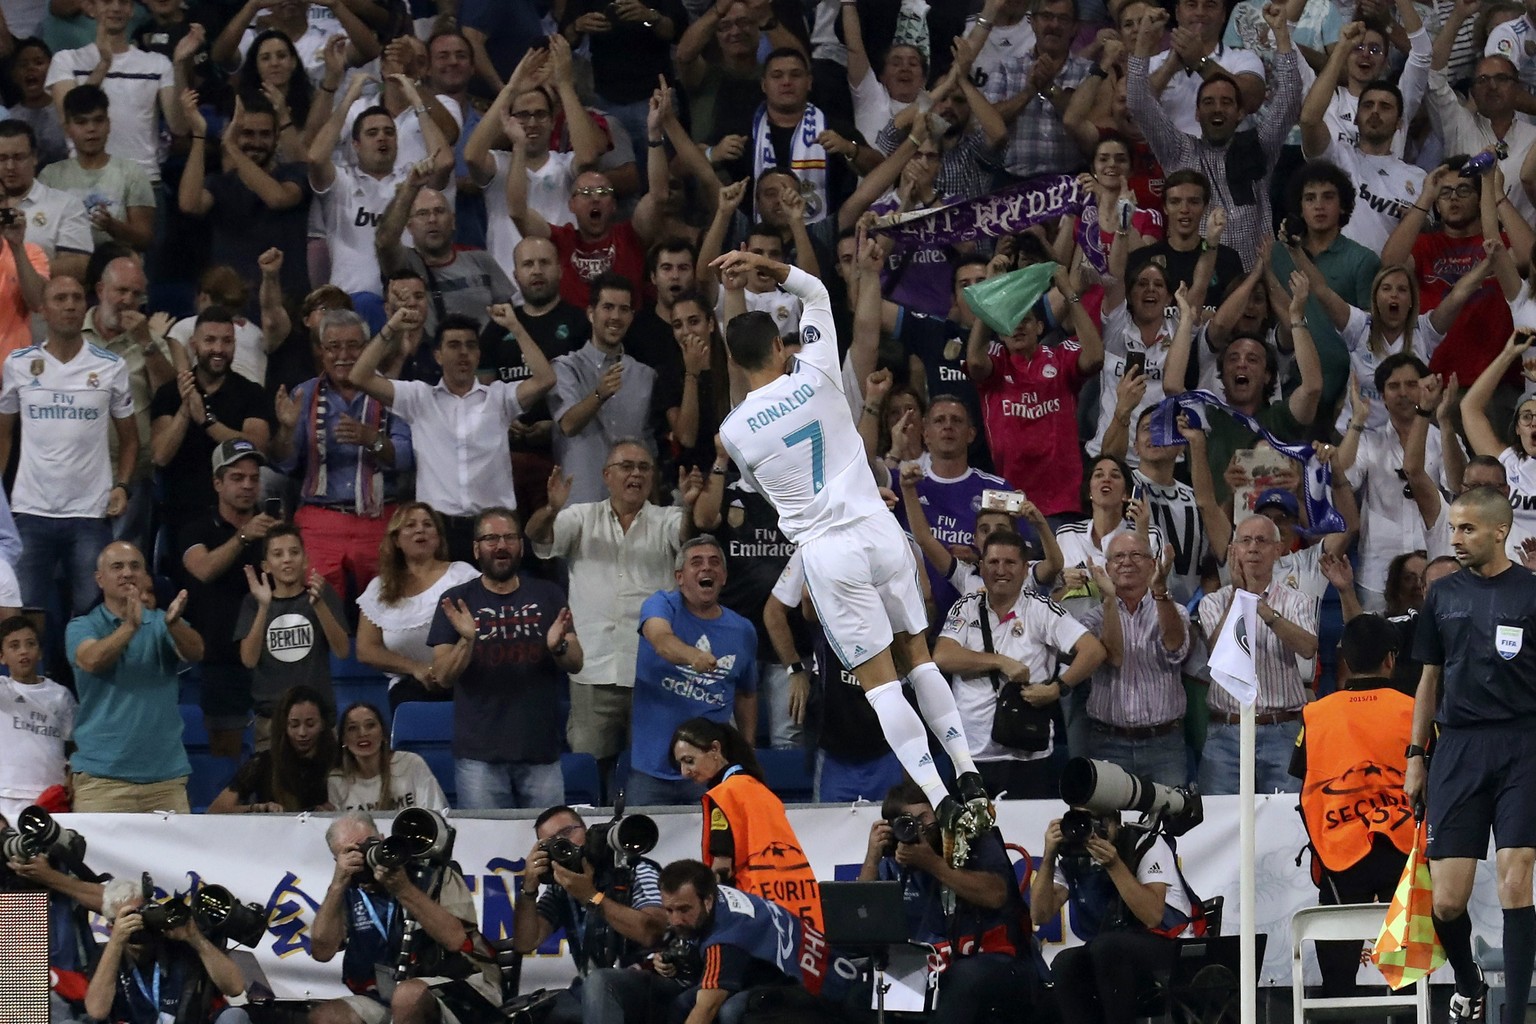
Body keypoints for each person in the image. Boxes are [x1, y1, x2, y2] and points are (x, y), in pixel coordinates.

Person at [714, 245, 991, 847]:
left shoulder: (733, 431)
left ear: (733, 358)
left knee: (881, 683)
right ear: (782, 347)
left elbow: (761, 477)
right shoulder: (816, 375)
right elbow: (816, 293)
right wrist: (771, 270)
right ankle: (967, 774)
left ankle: (943, 801)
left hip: (827, 549)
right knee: (918, 655)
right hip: (878, 528)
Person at [1405, 486, 1536, 1024]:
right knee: (1447, 903)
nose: (1455, 539)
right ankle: (1468, 980)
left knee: (1516, 875)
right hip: (1456, 746)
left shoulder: (1532, 592)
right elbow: (1428, 680)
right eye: (1452, 528)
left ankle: (1514, 1017)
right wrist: (1416, 755)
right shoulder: (1442, 595)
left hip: (1523, 742)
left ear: (1500, 531)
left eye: (1467, 529)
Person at [527, 439, 697, 783]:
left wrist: (692, 508)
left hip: (652, 672)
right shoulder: (579, 516)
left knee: (653, 770)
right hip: (594, 669)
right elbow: (536, 537)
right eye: (627, 466)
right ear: (607, 475)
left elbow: (688, 536)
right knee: (589, 771)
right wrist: (550, 509)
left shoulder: (667, 518)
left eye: (644, 467)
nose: (636, 473)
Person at [349, 310, 556, 561]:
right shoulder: (418, 398)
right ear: (437, 355)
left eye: (470, 346)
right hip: (440, 530)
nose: (463, 353)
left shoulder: (499, 398)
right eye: (454, 345)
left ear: (479, 355)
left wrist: (516, 326)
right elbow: (359, 376)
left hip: (494, 529)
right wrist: (391, 326)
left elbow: (545, 379)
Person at [0, 273, 137, 638]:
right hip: (30, 511)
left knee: (95, 616)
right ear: (43, 309)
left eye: (77, 298)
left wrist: (122, 484)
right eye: (60, 298)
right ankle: (30, 694)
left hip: (89, 514)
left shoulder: (110, 366)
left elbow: (130, 440)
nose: (71, 305)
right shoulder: (18, 364)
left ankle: (85, 693)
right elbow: (4, 434)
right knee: (25, 617)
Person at [1291, 614, 1416, 999]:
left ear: (1344, 658)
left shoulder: (1317, 714)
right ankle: (1410, 1008)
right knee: (1406, 966)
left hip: (1338, 853)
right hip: (1402, 849)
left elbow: (1300, 771)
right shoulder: (1414, 710)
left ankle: (1338, 999)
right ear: (1391, 659)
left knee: (1338, 960)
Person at [428, 507, 583, 809]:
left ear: (521, 546)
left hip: (541, 753)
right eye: (491, 538)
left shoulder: (549, 594)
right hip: (479, 758)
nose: (501, 546)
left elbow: (576, 662)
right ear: (476, 548)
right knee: (486, 849)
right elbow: (442, 676)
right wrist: (468, 640)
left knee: (553, 847)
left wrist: (558, 648)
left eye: (509, 537)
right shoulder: (456, 600)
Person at [934, 531, 1108, 798]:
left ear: (1026, 569)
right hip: (971, 754)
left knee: (1028, 839)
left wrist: (1057, 688)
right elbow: (943, 656)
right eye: (993, 562)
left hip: (1029, 754)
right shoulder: (966, 607)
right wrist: (1000, 662)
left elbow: (1093, 651)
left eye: (1010, 562)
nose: (1000, 570)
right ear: (981, 567)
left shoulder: (1041, 609)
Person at [1127, 3, 1299, 270]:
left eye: (1226, 102)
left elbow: (1289, 99)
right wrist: (1142, 44)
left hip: (1251, 278)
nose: (1217, 108)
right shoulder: (1178, 150)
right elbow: (1138, 103)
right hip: (1192, 277)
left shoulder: (1259, 148)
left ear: (1241, 112)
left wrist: (1282, 35)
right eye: (1208, 102)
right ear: (1197, 113)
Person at [857, 780, 1041, 1024]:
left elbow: (996, 895)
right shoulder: (893, 860)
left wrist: (932, 863)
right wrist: (872, 857)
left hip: (994, 960)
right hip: (923, 967)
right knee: (858, 994)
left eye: (924, 817)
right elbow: (860, 919)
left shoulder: (973, 837)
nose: (920, 829)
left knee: (961, 979)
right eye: (909, 823)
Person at [272, 308, 416, 599]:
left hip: (379, 515)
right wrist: (287, 431)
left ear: (368, 349)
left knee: (389, 604)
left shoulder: (392, 392)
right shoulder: (305, 393)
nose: (343, 355)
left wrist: (371, 439)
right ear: (321, 352)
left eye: (353, 346)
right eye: (333, 347)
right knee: (314, 605)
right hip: (320, 517)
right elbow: (284, 463)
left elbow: (404, 458)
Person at [307, 810, 501, 1024]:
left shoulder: (432, 874)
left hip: (460, 987)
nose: (364, 855)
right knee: (326, 1017)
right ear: (337, 859)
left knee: (408, 996)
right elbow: (322, 952)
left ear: (382, 838)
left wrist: (403, 889)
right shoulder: (345, 890)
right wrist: (337, 886)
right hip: (385, 996)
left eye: (369, 844)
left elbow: (456, 940)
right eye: (352, 852)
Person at [68, 541, 202, 812]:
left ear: (144, 577)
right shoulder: (82, 626)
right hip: (102, 783)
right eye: (117, 567)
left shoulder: (163, 622)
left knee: (172, 857)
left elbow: (195, 652)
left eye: (135, 566)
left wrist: (175, 624)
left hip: (165, 782)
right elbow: (91, 660)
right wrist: (130, 627)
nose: (127, 573)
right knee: (91, 857)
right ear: (99, 579)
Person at [1032, 808, 1198, 1024]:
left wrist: (1114, 864)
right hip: (1113, 956)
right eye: (1083, 820)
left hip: (1171, 946)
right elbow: (1040, 915)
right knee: (1066, 962)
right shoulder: (1074, 853)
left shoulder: (1144, 843)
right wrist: (1049, 856)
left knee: (1107, 947)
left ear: (1115, 822)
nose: (1091, 830)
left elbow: (1152, 917)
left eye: (1097, 820)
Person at [630, 536, 759, 806]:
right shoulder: (661, 605)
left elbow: (746, 694)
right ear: (679, 577)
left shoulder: (743, 630)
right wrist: (693, 657)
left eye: (714, 563)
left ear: (723, 576)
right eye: (696, 562)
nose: (706, 568)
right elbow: (661, 640)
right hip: (651, 772)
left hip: (709, 774)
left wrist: (746, 750)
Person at [1196, 515, 1319, 796]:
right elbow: (1216, 652)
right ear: (1233, 550)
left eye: (1262, 541)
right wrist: (1239, 596)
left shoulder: (1296, 600)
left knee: (1286, 822)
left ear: (1277, 550)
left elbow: (1308, 648)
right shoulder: (1213, 602)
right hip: (1227, 732)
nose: (1253, 548)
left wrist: (1262, 609)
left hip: (1282, 730)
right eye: (1245, 540)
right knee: (1220, 822)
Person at [514, 805, 669, 1024]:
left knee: (598, 983)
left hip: (646, 982)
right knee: (530, 1015)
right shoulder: (560, 887)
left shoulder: (633, 868)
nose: (564, 842)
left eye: (567, 832)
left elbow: (653, 932)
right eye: (551, 842)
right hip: (588, 988)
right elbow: (526, 942)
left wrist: (591, 896)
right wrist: (528, 887)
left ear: (585, 830)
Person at [670, 717, 823, 935]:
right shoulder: (759, 788)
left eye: (689, 761)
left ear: (715, 749)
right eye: (681, 764)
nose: (684, 772)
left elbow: (722, 868)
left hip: (756, 910)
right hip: (800, 905)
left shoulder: (724, 795)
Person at [1073, 533, 1193, 787]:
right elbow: (1113, 657)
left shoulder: (1175, 610)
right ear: (1107, 569)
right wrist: (1108, 600)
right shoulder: (1092, 619)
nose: (1127, 561)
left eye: (1136, 555)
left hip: (1164, 743)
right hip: (1108, 742)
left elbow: (1175, 649)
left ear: (1152, 565)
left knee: (1171, 823)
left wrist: (1160, 590)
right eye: (1118, 556)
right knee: (1109, 825)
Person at [148, 305, 274, 541]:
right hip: (183, 514)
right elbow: (160, 456)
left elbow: (258, 446)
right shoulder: (170, 393)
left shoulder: (251, 392)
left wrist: (207, 422)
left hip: (239, 517)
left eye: (227, 341)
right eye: (210, 341)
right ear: (194, 346)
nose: (218, 349)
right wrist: (185, 411)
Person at [656, 858, 824, 1019]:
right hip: (765, 972)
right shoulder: (713, 894)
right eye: (669, 910)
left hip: (809, 985)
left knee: (732, 1010)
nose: (676, 920)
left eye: (684, 910)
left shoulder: (726, 936)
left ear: (707, 901)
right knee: (683, 1004)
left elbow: (707, 1009)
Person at [355, 502, 479, 711]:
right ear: (396, 540)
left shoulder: (462, 575)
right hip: (409, 687)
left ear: (439, 537)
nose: (420, 529)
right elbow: (366, 649)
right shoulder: (379, 587)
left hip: (463, 681)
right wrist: (416, 668)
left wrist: (446, 669)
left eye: (428, 524)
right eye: (410, 525)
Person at [235, 524, 349, 745]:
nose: (287, 559)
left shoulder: (322, 593)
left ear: (305, 560)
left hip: (319, 718)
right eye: (278, 554)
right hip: (272, 720)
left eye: (294, 552)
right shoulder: (252, 603)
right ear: (266, 566)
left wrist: (319, 606)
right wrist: (264, 607)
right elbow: (248, 659)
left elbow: (342, 650)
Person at [87, 876, 250, 1024]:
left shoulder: (179, 944)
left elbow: (235, 988)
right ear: (111, 927)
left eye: (141, 913)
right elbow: (96, 1011)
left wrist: (195, 938)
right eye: (129, 917)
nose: (138, 922)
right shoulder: (107, 957)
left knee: (234, 1017)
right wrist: (116, 943)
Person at [38, 83, 153, 250]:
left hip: (118, 264)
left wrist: (112, 225)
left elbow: (145, 239)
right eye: (81, 122)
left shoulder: (132, 172)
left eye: (98, 120)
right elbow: (40, 230)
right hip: (67, 263)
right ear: (68, 128)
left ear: (109, 124)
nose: (91, 129)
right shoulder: (50, 175)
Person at [206, 684, 337, 814]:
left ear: (323, 724)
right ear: (284, 725)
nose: (302, 732)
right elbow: (216, 810)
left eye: (310, 724)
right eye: (294, 725)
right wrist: (257, 809)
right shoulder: (263, 762)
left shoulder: (337, 760)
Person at [0, 615, 73, 822]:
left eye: (30, 644)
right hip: (7, 792)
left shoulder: (60, 695)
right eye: (14, 646)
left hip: (49, 794)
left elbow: (73, 744)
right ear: (2, 656)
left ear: (40, 652)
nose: (23, 651)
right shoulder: (3, 689)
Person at [328, 702, 448, 813]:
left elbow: (436, 813)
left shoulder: (411, 763)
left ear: (383, 733)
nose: (363, 733)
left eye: (370, 725)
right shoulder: (336, 781)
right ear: (343, 739)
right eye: (352, 728)